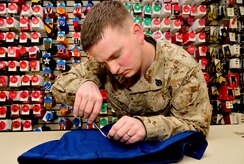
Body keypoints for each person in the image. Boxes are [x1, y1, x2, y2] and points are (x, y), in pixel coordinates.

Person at [51, 0, 212, 145]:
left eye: (116, 55)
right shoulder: (105, 62)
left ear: (137, 33)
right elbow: (58, 87)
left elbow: (197, 128)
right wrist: (83, 84)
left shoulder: (181, 67)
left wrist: (147, 127)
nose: (113, 69)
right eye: (103, 62)